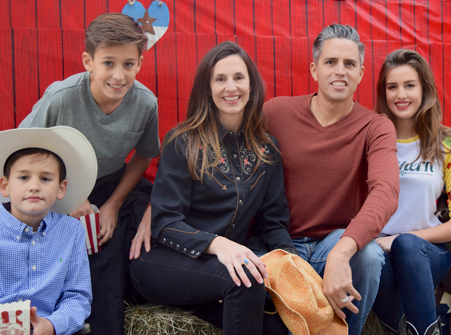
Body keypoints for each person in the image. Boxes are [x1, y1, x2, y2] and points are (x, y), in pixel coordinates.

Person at [129, 41, 296, 335]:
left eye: (238, 77)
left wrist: (295, 267)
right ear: (207, 88)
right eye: (220, 79)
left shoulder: (267, 150)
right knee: (245, 278)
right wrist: (221, 245)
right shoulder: (182, 142)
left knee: (280, 327)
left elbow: (273, 223)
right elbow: (165, 222)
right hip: (161, 264)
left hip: (219, 271)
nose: (231, 87)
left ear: (252, 85)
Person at [18, 13, 160, 334]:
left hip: (111, 186)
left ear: (140, 63)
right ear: (88, 61)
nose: (119, 75)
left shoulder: (145, 103)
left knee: (109, 249)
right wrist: (68, 196)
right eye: (108, 63)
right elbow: (23, 150)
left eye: (129, 64)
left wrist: (112, 204)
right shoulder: (61, 97)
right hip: (57, 185)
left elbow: (145, 155)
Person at [263, 23, 399, 335]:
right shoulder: (275, 112)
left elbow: (386, 191)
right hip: (280, 243)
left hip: (332, 243)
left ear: (362, 73)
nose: (340, 71)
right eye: (331, 62)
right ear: (314, 69)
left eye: (349, 64)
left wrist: (342, 250)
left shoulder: (375, 127)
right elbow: (225, 154)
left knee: (369, 255)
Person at [370, 49, 451, 335]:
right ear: (383, 92)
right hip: (378, 250)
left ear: (424, 90)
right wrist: (382, 243)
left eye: (409, 85)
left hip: (427, 252)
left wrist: (400, 239)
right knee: (372, 259)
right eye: (392, 86)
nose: (400, 94)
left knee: (406, 246)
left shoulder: (448, 145)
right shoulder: (369, 140)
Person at [0, 126, 97, 335]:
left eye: (45, 179)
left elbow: (77, 296)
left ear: (61, 188)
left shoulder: (71, 231)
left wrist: (53, 325)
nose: (34, 186)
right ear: (5, 186)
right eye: (24, 177)